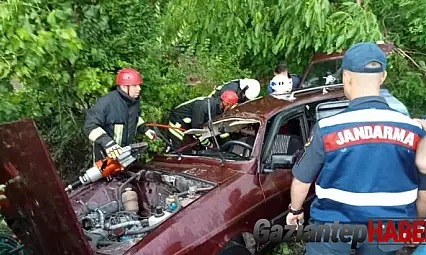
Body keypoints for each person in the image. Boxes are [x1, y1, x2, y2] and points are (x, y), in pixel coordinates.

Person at [286, 42, 426, 255]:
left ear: (347, 78)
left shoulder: (328, 128)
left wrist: (295, 211)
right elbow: (423, 195)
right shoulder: (415, 131)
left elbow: (301, 181)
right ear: (383, 77)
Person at [83, 68, 157, 163]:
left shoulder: (134, 103)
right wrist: (107, 142)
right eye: (135, 85)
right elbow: (90, 126)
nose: (139, 88)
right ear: (124, 86)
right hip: (105, 159)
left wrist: (145, 129)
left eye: (139, 85)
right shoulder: (107, 103)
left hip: (125, 157)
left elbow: (135, 118)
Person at [167, 90, 239, 150]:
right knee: (176, 147)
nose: (231, 109)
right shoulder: (204, 107)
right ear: (226, 103)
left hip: (192, 121)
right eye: (231, 106)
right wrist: (208, 144)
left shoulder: (218, 108)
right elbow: (197, 129)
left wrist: (227, 143)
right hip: (178, 120)